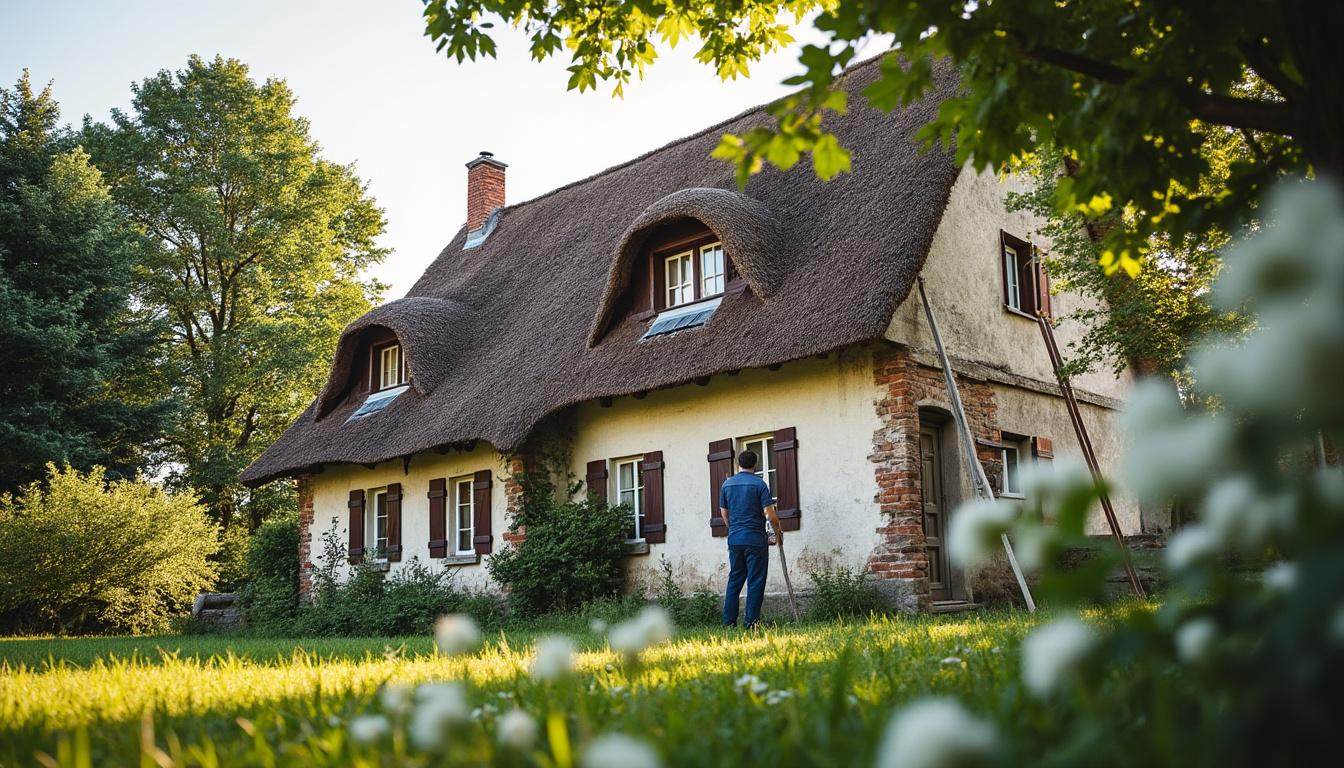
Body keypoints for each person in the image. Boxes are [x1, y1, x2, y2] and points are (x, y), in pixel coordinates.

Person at [719, 449, 782, 628]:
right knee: (755, 581)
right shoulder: (760, 484)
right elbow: (770, 514)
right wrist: (778, 531)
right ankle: (751, 623)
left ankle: (729, 623)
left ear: (738, 464)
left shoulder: (727, 485)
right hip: (755, 539)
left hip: (735, 539)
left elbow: (724, 514)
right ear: (756, 464)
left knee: (735, 581)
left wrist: (734, 530)